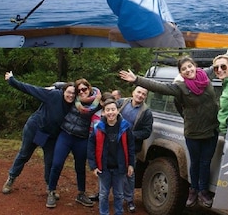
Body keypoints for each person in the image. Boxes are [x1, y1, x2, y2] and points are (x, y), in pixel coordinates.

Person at [119, 56, 219, 208]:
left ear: (195, 66)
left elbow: (219, 65)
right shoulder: (180, 87)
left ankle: (203, 192)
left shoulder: (206, 75)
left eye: (189, 66)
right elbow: (159, 87)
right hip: (193, 132)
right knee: (195, 163)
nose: (188, 70)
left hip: (212, 130)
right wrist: (137, 80)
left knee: (205, 163)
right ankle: (193, 191)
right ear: (181, 73)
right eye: (184, 69)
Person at [1, 72, 75, 197]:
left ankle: (50, 187)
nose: (71, 95)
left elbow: (92, 91)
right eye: (68, 92)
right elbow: (30, 89)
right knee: (24, 154)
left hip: (51, 136)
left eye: (74, 93)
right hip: (35, 129)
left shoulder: (75, 104)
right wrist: (12, 80)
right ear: (64, 91)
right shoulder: (53, 95)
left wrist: (57, 85)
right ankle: (11, 178)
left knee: (50, 161)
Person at [46, 78, 101, 209]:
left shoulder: (97, 101)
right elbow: (63, 86)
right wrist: (53, 87)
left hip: (82, 138)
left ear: (89, 88)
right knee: (57, 163)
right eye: (79, 90)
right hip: (65, 135)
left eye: (84, 89)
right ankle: (51, 191)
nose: (81, 92)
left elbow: (112, 101)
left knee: (80, 167)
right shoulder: (73, 99)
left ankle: (81, 193)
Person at [88, 99, 135, 215]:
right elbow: (90, 148)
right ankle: (104, 213)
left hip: (120, 167)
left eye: (113, 109)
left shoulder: (125, 127)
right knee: (103, 194)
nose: (111, 113)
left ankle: (119, 212)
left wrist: (130, 165)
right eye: (107, 110)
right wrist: (93, 166)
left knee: (119, 194)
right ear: (103, 112)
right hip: (103, 167)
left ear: (118, 111)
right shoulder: (98, 127)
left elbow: (131, 147)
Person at [116, 86, 153, 213]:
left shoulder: (147, 112)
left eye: (143, 94)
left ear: (145, 97)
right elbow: (107, 110)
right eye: (138, 92)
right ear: (133, 92)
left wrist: (131, 135)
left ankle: (129, 200)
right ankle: (101, 194)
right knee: (107, 170)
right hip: (113, 143)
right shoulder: (122, 102)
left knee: (129, 174)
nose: (140, 95)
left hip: (131, 147)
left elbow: (147, 132)